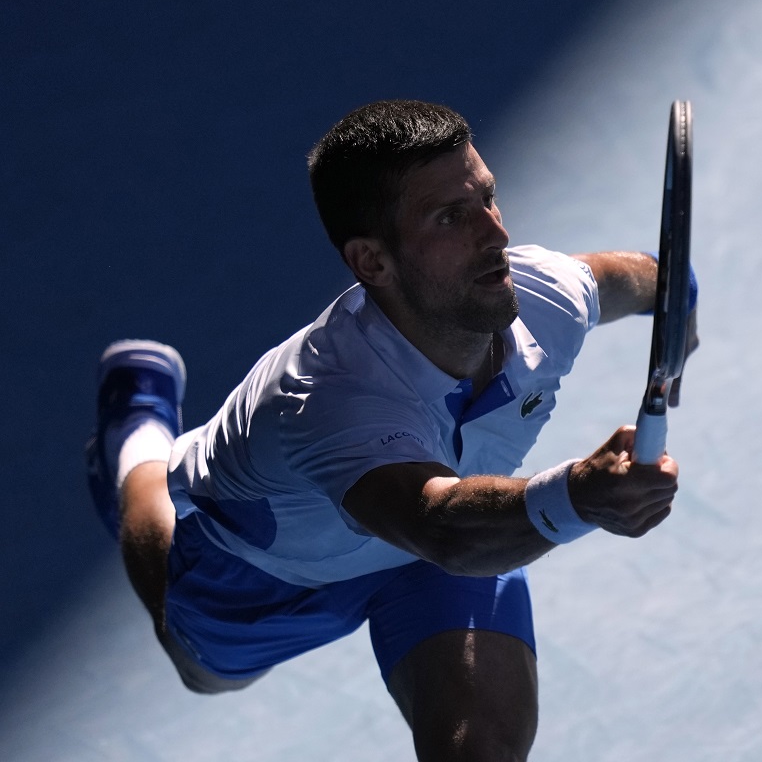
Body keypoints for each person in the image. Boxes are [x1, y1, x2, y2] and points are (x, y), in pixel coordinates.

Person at [84, 99, 696, 761]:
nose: (494, 235)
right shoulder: (329, 396)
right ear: (372, 262)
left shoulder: (543, 292)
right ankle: (137, 432)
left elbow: (635, 276)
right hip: (261, 569)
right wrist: (576, 496)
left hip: (448, 544)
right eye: (451, 217)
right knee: (203, 669)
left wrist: (676, 295)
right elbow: (439, 525)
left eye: (488, 198)